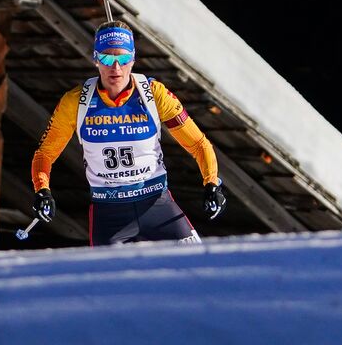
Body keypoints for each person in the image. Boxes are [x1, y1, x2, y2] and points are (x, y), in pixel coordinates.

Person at [29, 21, 226, 246]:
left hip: (157, 204)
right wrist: (42, 190)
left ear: (133, 59)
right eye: (106, 58)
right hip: (109, 212)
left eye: (122, 59)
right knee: (108, 280)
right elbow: (45, 153)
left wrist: (212, 183)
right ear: (95, 59)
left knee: (199, 263)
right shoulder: (75, 102)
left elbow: (199, 144)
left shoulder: (154, 94)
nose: (116, 68)